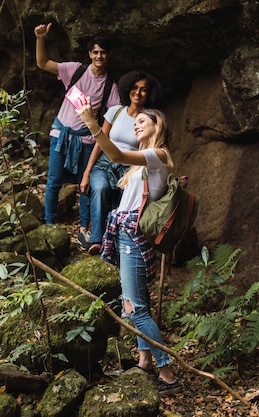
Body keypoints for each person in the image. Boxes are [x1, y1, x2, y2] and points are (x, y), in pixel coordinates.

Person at [76, 103, 181, 396]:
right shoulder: (143, 162)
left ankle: (167, 373)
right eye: (135, 122)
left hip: (133, 239)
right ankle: (145, 359)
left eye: (142, 122)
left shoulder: (157, 156)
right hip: (126, 235)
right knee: (131, 303)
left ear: (157, 127)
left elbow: (116, 154)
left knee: (137, 309)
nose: (136, 125)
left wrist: (93, 124)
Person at [34, 23, 121, 250]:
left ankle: (84, 229)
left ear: (108, 55)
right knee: (54, 180)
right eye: (95, 52)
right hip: (61, 133)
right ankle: (49, 224)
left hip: (86, 139)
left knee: (85, 186)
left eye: (103, 52)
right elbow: (42, 63)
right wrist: (40, 39)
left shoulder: (110, 86)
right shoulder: (75, 70)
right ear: (89, 54)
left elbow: (113, 119)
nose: (99, 56)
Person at [80, 70, 163, 255]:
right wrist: (86, 173)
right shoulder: (115, 112)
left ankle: (116, 244)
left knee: (121, 206)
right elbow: (99, 143)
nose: (138, 92)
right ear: (127, 89)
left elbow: (147, 150)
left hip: (128, 169)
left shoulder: (148, 121)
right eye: (134, 88)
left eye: (144, 90)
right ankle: (96, 241)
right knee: (100, 189)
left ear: (149, 94)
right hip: (104, 164)